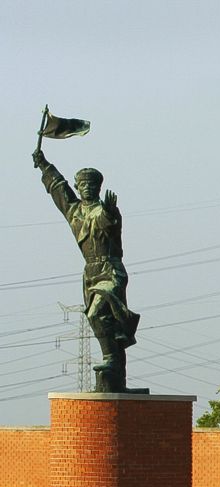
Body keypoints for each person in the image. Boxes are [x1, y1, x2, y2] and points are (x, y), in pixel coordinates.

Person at [33, 148, 140, 393]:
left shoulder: (103, 211)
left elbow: (109, 220)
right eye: (82, 185)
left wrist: (111, 210)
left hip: (110, 269)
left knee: (96, 312)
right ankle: (115, 370)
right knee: (103, 322)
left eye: (91, 185)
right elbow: (58, 188)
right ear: (78, 187)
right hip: (90, 273)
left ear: (98, 188)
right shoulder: (74, 211)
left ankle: (111, 359)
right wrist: (43, 164)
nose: (87, 188)